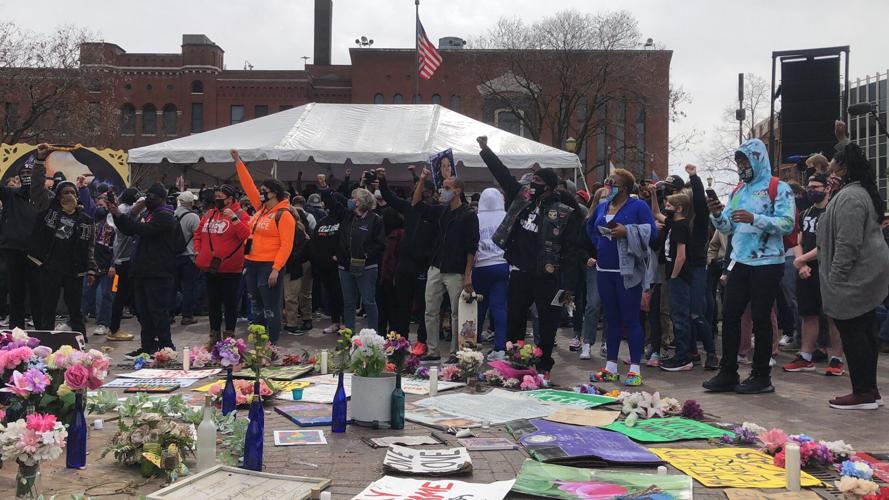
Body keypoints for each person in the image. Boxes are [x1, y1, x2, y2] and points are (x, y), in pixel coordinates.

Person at [478, 136, 582, 380]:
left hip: (548, 276)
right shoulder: (522, 198)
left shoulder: (564, 213)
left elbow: (572, 251)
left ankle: (543, 364)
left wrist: (568, 285)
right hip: (520, 271)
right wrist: (486, 151)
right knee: (515, 319)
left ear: (549, 186)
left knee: (547, 322)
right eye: (532, 181)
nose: (532, 184)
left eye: (538, 181)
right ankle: (516, 361)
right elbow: (503, 175)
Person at [703, 138, 795, 394]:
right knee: (730, 315)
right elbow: (729, 228)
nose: (742, 166)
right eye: (739, 162)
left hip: (768, 262)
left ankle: (761, 375)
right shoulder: (737, 192)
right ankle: (728, 371)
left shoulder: (779, 187)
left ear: (757, 159)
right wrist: (718, 215)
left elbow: (787, 223)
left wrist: (756, 218)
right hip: (739, 260)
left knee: (761, 318)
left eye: (745, 161)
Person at [818, 141, 889, 410]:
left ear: (844, 168)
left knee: (854, 331)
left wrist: (836, 278)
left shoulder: (850, 197)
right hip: (867, 273)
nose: (829, 167)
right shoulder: (856, 193)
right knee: (865, 331)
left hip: (855, 277)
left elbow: (848, 243)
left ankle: (862, 392)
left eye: (833, 163)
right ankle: (870, 390)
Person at [588, 169, 657, 386]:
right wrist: (599, 244)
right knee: (611, 319)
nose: (609, 184)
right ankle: (610, 366)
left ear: (625, 187)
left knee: (631, 318)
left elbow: (652, 232)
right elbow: (590, 227)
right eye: (608, 181)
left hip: (626, 270)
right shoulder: (602, 206)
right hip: (605, 269)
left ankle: (635, 368)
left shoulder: (639, 206)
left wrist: (626, 231)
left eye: (613, 182)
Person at [410, 169, 479, 361]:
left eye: (447, 188)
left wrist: (467, 274)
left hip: (455, 270)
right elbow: (416, 204)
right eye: (443, 187)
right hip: (436, 265)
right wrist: (422, 180)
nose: (442, 191)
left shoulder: (468, 215)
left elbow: (472, 247)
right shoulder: (442, 211)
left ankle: (456, 351)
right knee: (430, 310)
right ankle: (433, 350)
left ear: (457, 191)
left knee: (457, 312)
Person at [27, 154, 97, 336]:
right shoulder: (48, 209)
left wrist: (90, 269)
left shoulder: (85, 220)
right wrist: (40, 163)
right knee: (47, 306)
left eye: (73, 192)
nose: (69, 195)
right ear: (58, 196)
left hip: (74, 269)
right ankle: (45, 340)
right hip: (49, 266)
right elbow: (36, 190)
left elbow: (90, 246)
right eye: (65, 192)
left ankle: (80, 340)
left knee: (75, 309)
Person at [783, 174, 846, 376]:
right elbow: (798, 241)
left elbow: (827, 244)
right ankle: (806, 356)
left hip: (828, 269)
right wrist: (801, 264)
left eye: (815, 186)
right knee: (808, 314)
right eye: (808, 186)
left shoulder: (833, 211)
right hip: (807, 271)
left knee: (832, 315)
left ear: (827, 188)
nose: (810, 190)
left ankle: (836, 359)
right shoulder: (806, 212)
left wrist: (802, 260)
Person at [232, 150, 296, 345]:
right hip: (251, 263)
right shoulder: (261, 210)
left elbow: (286, 245)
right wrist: (238, 162)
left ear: (273, 193)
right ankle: (258, 344)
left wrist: (276, 269)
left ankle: (272, 345)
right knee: (256, 306)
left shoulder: (284, 215)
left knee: (271, 308)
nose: (260, 194)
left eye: (264, 191)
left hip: (269, 266)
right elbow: (248, 186)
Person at [107, 182, 178, 357]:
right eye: (147, 197)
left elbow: (140, 229)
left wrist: (119, 214)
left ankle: (165, 346)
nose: (148, 200)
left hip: (158, 271)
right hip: (142, 270)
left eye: (152, 197)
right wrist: (116, 214)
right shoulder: (150, 214)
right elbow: (129, 230)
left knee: (158, 311)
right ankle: (148, 346)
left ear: (162, 198)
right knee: (143, 312)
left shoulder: (165, 216)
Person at [377, 167, 437, 353]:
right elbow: (388, 197)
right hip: (405, 264)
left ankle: (422, 341)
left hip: (424, 265)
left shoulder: (436, 211)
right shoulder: (408, 207)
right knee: (400, 303)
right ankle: (399, 339)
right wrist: (382, 179)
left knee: (423, 307)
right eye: (417, 190)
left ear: (431, 194)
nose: (419, 194)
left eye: (424, 191)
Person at [316, 173, 385, 332]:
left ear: (362, 203)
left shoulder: (375, 219)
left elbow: (380, 244)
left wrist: (365, 255)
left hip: (366, 267)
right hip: (345, 265)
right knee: (348, 302)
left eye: (355, 199)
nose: (352, 201)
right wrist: (324, 186)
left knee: (368, 301)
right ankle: (349, 334)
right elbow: (333, 204)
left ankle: (373, 335)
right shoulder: (347, 216)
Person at [193, 184, 250, 347]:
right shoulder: (210, 214)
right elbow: (197, 233)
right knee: (213, 303)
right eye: (216, 197)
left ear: (230, 199)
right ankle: (214, 335)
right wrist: (198, 250)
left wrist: (233, 218)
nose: (217, 200)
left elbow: (247, 235)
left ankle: (229, 336)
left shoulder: (240, 214)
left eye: (220, 198)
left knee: (230, 303)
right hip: (210, 267)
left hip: (231, 268)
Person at [0, 150, 44, 329]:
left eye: (29, 173)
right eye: (23, 173)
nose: (26, 176)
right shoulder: (11, 195)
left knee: (37, 293)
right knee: (16, 292)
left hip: (36, 252)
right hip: (13, 250)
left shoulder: (42, 197)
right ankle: (16, 330)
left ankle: (42, 328)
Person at [658, 192, 700, 372]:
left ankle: (683, 358)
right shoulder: (674, 224)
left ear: (679, 209)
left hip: (679, 278)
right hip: (674, 277)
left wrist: (674, 276)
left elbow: (681, 256)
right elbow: (656, 213)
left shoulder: (681, 227)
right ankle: (683, 355)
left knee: (680, 317)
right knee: (677, 316)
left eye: (669, 205)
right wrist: (653, 195)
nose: (666, 208)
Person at [472, 188, 509, 361]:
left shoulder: (476, 218)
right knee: (499, 307)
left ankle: (474, 344)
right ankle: (500, 348)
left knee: (478, 307)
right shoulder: (505, 217)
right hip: (501, 264)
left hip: (480, 266)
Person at [106, 187, 140, 341]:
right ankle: (114, 329)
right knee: (121, 296)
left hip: (121, 259)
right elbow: (139, 207)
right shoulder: (125, 212)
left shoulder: (119, 210)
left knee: (124, 295)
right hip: (124, 260)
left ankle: (114, 328)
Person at [83, 193, 116, 336]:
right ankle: (73, 320)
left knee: (105, 295)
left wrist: (114, 265)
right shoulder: (93, 221)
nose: (99, 208)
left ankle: (103, 323)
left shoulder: (114, 224)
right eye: (98, 206)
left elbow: (118, 246)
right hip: (92, 264)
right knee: (85, 293)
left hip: (108, 266)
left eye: (103, 206)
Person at [311, 198, 344, 334]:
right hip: (324, 267)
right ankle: (335, 322)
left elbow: (345, 241)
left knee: (342, 295)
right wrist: (317, 261)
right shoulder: (321, 223)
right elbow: (314, 243)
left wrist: (339, 256)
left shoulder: (342, 222)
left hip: (340, 266)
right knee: (330, 296)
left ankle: (345, 324)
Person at [173, 191, 201, 325]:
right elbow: (198, 237)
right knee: (189, 287)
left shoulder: (172, 214)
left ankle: (170, 314)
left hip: (174, 256)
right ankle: (187, 315)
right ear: (191, 202)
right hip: (189, 257)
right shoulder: (193, 217)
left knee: (173, 287)